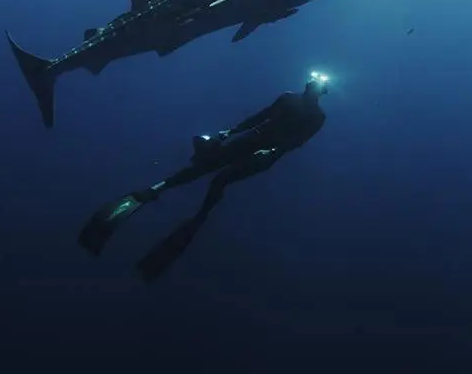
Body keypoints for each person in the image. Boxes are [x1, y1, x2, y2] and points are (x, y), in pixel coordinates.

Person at [77, 70, 332, 282]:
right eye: (315, 79)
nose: (316, 83)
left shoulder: (318, 117)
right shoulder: (288, 98)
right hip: (249, 140)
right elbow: (259, 116)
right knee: (201, 168)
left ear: (321, 91)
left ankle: (199, 216)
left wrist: (272, 150)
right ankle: (158, 188)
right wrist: (229, 131)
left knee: (220, 180)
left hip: (264, 155)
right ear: (309, 83)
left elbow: (297, 142)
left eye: (321, 82)